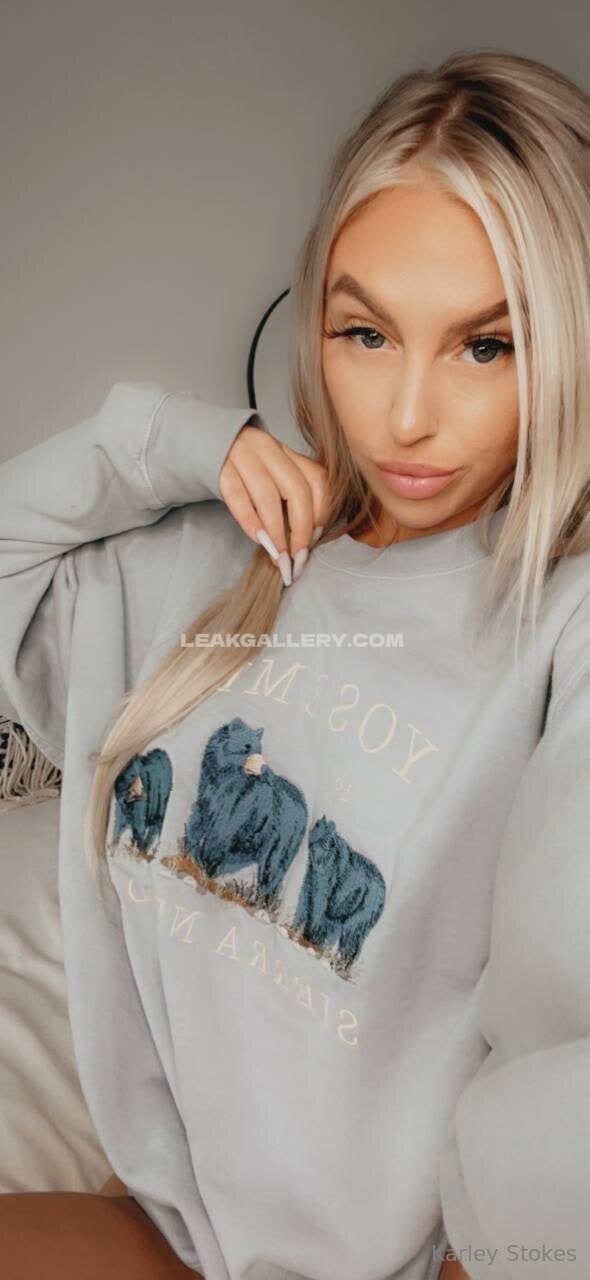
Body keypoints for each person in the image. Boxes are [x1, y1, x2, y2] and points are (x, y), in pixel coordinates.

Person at [1, 45, 589, 1280]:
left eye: (485, 346)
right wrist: (165, 439)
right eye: (364, 332)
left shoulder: (560, 626)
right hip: (158, 1221)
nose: (406, 415)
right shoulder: (212, 559)